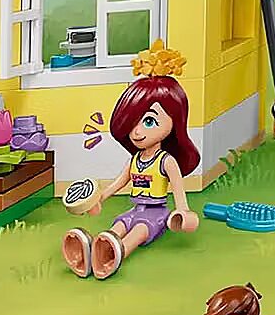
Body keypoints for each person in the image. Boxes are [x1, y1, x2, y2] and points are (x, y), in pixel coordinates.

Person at [62, 41, 199, 280]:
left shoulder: (166, 161)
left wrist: (183, 212)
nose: (136, 132)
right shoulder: (135, 160)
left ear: (173, 121)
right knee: (119, 226)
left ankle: (116, 255)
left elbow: (178, 192)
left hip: (156, 214)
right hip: (134, 209)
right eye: (132, 122)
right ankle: (93, 250)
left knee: (138, 232)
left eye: (148, 122)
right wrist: (99, 198)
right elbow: (118, 183)